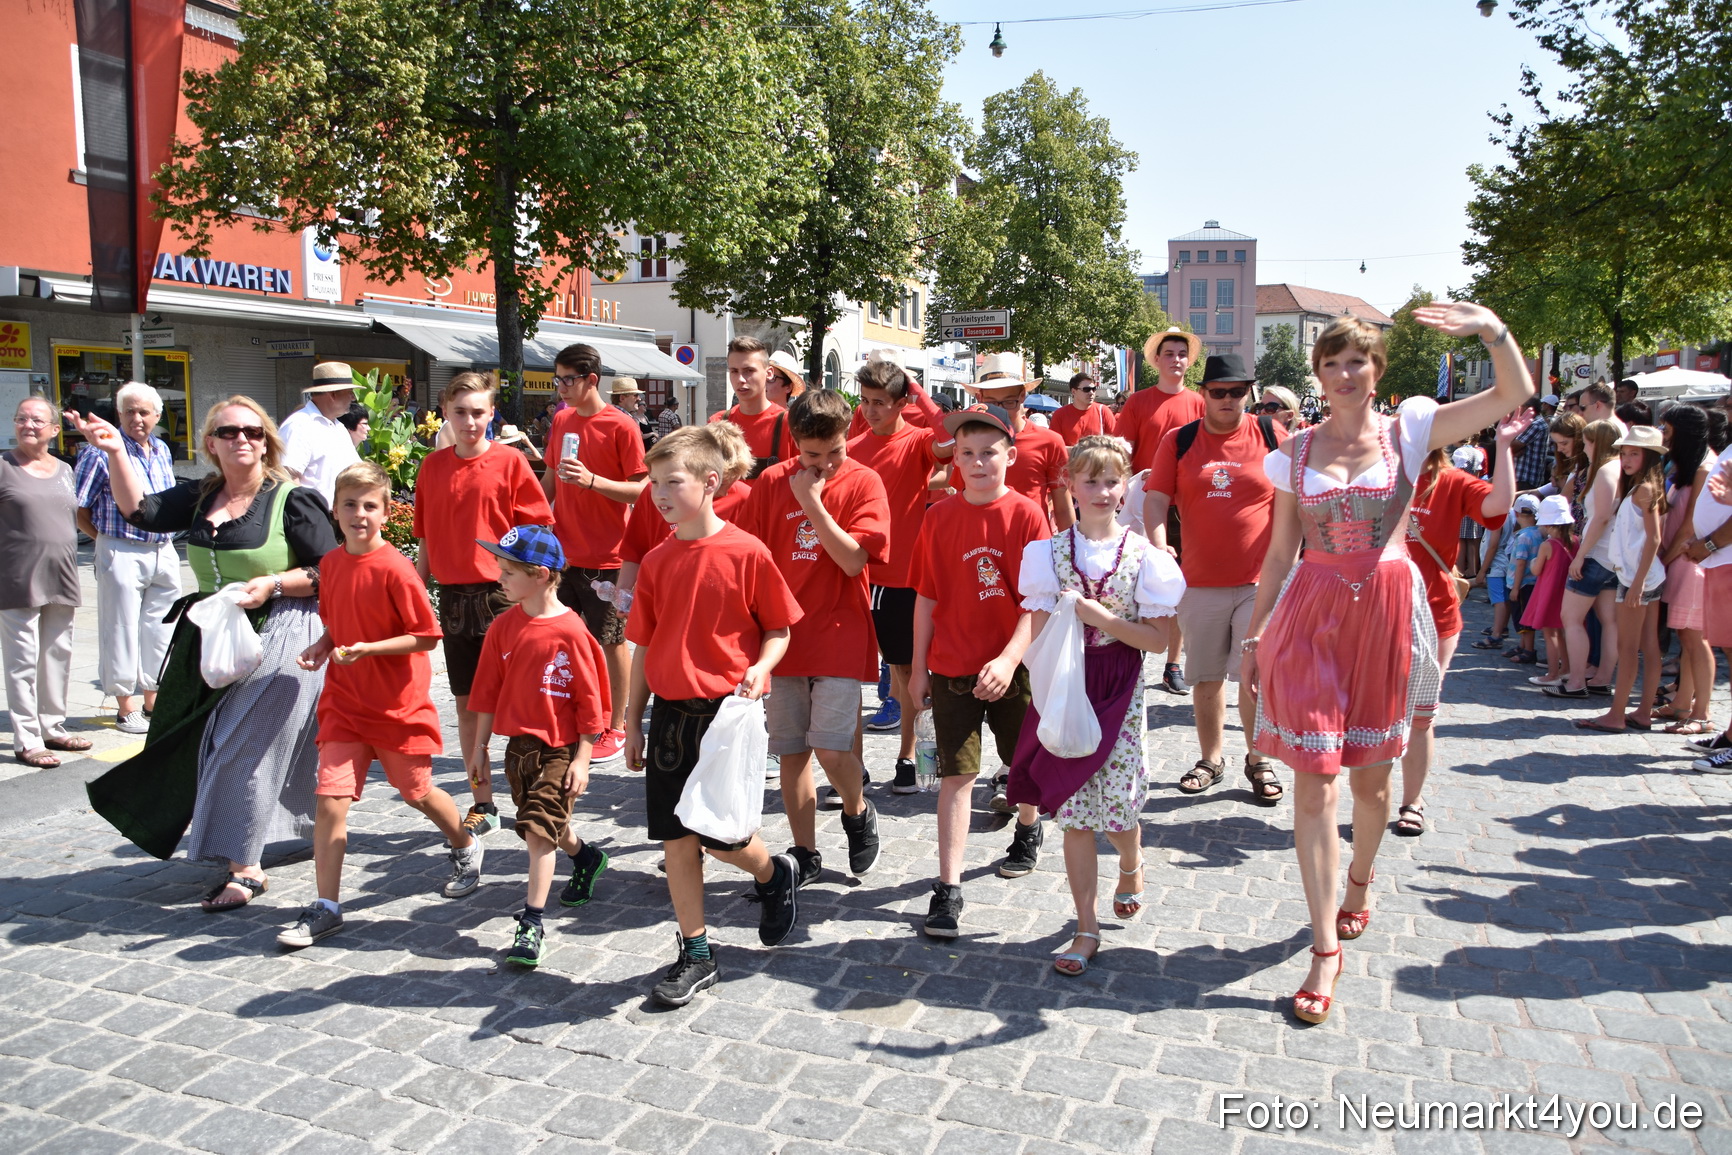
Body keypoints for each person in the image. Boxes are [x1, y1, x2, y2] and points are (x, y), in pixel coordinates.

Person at [1242, 303, 1534, 1025]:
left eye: (1357, 361)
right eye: (1332, 362)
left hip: (1384, 610)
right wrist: (1254, 638)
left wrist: (1491, 330)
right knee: (1316, 785)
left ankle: (1361, 878)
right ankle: (1322, 948)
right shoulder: (1294, 452)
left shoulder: (1410, 431)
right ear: (1318, 374)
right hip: (1310, 611)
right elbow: (1280, 553)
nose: (1345, 373)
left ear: (1377, 372)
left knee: (1372, 784)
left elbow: (1513, 394)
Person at [77, 396, 339, 911]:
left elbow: (330, 570)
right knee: (198, 741)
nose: (242, 439)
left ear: (266, 441)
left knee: (240, 745)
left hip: (283, 628)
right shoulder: (201, 496)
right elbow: (141, 512)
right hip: (210, 634)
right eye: (230, 432)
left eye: (253, 431)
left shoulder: (293, 498)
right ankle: (246, 840)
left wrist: (273, 583)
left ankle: (246, 868)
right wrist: (113, 452)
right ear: (212, 444)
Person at [622, 424, 804, 1006]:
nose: (659, 494)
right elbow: (643, 644)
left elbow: (778, 628)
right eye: (653, 484)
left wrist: (762, 666)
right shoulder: (655, 560)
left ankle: (774, 874)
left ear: (710, 481)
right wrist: (631, 718)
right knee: (677, 839)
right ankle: (696, 950)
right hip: (670, 720)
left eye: (671, 482)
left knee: (722, 838)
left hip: (726, 716)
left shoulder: (748, 552)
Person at [277, 462, 480, 949]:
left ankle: (465, 843)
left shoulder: (396, 568)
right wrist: (324, 646)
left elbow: (426, 636)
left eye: (370, 505)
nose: (359, 514)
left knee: (416, 792)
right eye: (350, 504)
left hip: (396, 707)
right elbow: (340, 621)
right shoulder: (329, 565)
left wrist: (370, 648)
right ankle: (326, 906)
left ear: (387, 513)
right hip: (344, 703)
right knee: (330, 800)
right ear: (335, 511)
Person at [1008, 436, 1182, 974]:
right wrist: (1015, 662)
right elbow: (1036, 621)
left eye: (1113, 481)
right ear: (1070, 487)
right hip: (1065, 682)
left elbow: (1157, 640)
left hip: (1118, 685)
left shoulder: (1145, 558)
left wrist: (1099, 618)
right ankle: (1087, 927)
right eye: (1091, 481)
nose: (1103, 492)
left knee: (1119, 807)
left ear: (1126, 485)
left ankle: (1131, 861)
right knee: (1075, 812)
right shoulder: (1048, 553)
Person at [907, 404, 1052, 938]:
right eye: (966, 454)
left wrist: (1011, 658)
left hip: (1013, 668)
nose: (977, 463)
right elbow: (926, 596)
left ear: (1010, 456)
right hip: (950, 668)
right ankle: (948, 888)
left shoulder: (1028, 515)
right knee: (957, 777)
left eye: (988, 453)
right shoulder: (939, 515)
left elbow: (1037, 602)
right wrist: (919, 669)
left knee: (1022, 766)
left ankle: (1028, 829)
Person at [737, 390, 890, 885]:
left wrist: (811, 502)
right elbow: (752, 557)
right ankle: (805, 852)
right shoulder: (769, 482)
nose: (824, 465)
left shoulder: (864, 482)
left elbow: (852, 560)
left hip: (840, 631)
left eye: (835, 452)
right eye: (811, 456)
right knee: (791, 751)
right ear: (794, 445)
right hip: (781, 637)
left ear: (849, 437)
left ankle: (856, 808)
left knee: (831, 747)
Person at [414, 373, 554, 837]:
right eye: (461, 413)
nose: (470, 422)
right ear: (445, 414)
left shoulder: (511, 462)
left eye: (479, 412)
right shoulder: (431, 468)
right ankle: (484, 803)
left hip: (501, 596)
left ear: (491, 413)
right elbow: (426, 542)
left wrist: (534, 591)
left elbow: (538, 533)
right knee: (467, 706)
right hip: (454, 599)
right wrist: (416, 594)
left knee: (521, 699)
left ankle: (538, 791)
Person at [1144, 354, 1286, 803]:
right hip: (1199, 581)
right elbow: (1155, 499)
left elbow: (1295, 500)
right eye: (1218, 391)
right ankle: (1211, 758)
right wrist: (1158, 542)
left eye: (1237, 391)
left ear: (1248, 393)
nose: (1228, 399)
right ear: (1203, 394)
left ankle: (1258, 758)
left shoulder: (1270, 435)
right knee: (1205, 677)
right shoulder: (1180, 440)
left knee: (1253, 674)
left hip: (1258, 581)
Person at [468, 525, 610, 968]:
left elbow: (592, 702)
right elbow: (486, 693)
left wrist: (583, 758)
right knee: (547, 825)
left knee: (535, 831)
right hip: (518, 749)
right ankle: (586, 858)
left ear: (544, 575)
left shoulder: (572, 632)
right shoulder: (502, 628)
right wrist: (478, 749)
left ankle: (531, 923)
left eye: (509, 571)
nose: (500, 578)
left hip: (560, 750)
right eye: (500, 568)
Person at [846, 359, 952, 788]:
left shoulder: (919, 441)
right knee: (849, 675)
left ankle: (910, 759)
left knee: (907, 674)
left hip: (904, 578)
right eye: (865, 402)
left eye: (880, 403)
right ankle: (854, 767)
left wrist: (919, 393)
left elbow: (950, 439)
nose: (871, 411)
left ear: (901, 403)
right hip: (857, 576)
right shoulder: (852, 448)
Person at [545, 343, 648, 764]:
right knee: (563, 639)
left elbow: (642, 490)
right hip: (563, 554)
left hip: (608, 555)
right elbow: (550, 479)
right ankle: (577, 715)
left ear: (592, 380)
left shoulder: (620, 426)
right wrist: (531, 519)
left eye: (568, 380)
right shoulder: (561, 420)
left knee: (611, 642)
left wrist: (591, 481)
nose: (561, 389)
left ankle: (618, 726)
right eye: (557, 380)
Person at [73, 382, 180, 735]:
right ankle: (124, 706)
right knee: (120, 628)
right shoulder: (99, 451)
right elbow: (78, 508)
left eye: (144, 412)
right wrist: (104, 541)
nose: (137, 418)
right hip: (122, 548)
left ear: (157, 416)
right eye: (129, 411)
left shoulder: (162, 449)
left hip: (163, 551)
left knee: (161, 629)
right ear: (118, 414)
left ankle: (153, 701)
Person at [2, 396, 86, 768]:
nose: (28, 425)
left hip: (62, 574)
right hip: (17, 576)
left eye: (37, 420)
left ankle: (52, 726)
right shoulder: (3, 466)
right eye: (22, 419)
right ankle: (27, 738)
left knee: (57, 654)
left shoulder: (65, 469)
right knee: (21, 659)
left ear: (54, 430)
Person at [1120, 327, 1205, 695]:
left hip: (1186, 507)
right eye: (1168, 354)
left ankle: (1173, 663)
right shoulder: (1138, 402)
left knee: (1179, 586)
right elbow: (1122, 452)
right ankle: (1129, 656)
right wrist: (1119, 492)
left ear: (1189, 360)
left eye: (1181, 354)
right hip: (1142, 506)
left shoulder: (1200, 403)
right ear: (1157, 360)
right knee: (1133, 582)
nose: (1175, 360)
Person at [1577, 426, 1667, 732]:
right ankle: (1641, 712)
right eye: (1624, 453)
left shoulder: (1643, 489)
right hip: (1643, 574)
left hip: (1637, 577)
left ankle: (1617, 715)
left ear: (1649, 457)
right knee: (1649, 645)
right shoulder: (1642, 486)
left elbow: (1654, 539)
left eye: (1634, 453)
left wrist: (1637, 584)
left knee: (1630, 647)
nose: (1626, 459)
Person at [1547, 421, 1624, 699]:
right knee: (1608, 620)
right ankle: (1602, 678)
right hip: (1612, 557)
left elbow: (1600, 517)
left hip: (1595, 555)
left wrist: (1580, 556)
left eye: (1588, 442)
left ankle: (1576, 681)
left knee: (1571, 618)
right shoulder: (1618, 469)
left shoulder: (1604, 470)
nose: (1585, 448)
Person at [957, 354, 1072, 534]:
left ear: (1022, 396)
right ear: (980, 398)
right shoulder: (969, 445)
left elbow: (1063, 508)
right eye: (992, 403)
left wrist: (1070, 554)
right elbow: (961, 499)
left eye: (1009, 402)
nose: (1000, 410)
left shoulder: (1050, 441)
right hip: (978, 545)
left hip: (1031, 546)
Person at [1656, 404, 1713, 733]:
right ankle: (1682, 704)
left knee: (1696, 640)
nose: (1664, 434)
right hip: (1679, 562)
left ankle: (1701, 714)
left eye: (1667, 428)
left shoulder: (1705, 469)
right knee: (1687, 640)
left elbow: (1690, 527)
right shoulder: (1687, 466)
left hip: (1689, 563)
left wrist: (1662, 562)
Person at [279, 361, 362, 507]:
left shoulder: (338, 427)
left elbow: (354, 469)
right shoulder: (300, 425)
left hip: (338, 517)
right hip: (313, 519)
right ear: (333, 394)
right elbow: (288, 480)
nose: (353, 398)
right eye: (349, 392)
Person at [710, 335, 794, 477]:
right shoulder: (717, 422)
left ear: (769, 373)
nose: (741, 379)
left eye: (749, 371)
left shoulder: (790, 424)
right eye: (734, 371)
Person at [1521, 496, 1578, 687]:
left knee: (1550, 635)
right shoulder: (1576, 541)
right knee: (1562, 632)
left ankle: (1552, 673)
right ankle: (1566, 669)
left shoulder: (1547, 545)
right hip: (1568, 594)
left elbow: (1536, 570)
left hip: (1549, 594)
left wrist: (1533, 562)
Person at [1504, 495, 1544, 665]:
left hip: (1521, 584)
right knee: (1525, 617)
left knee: (1523, 619)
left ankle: (1529, 650)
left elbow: (1521, 563)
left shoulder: (1523, 537)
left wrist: (1515, 587)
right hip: (1532, 583)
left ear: (1516, 513)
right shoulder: (1539, 534)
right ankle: (1523, 646)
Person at [1048, 372, 1116, 447]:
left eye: (1093, 389)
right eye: (1086, 389)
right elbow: (1055, 446)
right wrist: (1079, 452)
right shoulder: (1060, 414)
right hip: (1071, 458)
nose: (1091, 393)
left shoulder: (1103, 411)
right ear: (1074, 391)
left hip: (1097, 458)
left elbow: (1114, 443)